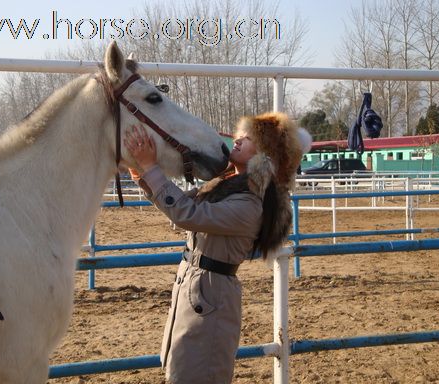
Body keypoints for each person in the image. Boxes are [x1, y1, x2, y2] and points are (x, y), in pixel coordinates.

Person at [124, 112, 312, 384]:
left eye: (248, 139)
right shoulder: (223, 187)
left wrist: (151, 168)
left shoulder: (249, 204)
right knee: (182, 368)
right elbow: (178, 202)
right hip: (197, 287)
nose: (237, 140)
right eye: (240, 135)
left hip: (210, 294)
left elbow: (186, 213)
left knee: (199, 373)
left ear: (266, 155)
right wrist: (142, 172)